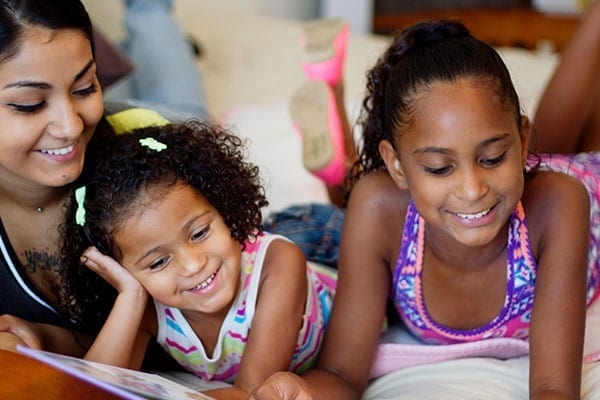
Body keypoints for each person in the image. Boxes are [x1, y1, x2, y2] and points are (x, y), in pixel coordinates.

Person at [251, 13, 600, 400]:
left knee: (568, 142)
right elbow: (341, 373)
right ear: (396, 165)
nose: (471, 189)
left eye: (493, 158)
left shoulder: (560, 204)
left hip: (586, 186)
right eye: (439, 168)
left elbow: (554, 388)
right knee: (559, 138)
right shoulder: (379, 209)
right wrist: (300, 392)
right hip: (529, 172)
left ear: (520, 139)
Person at [57, 119, 336, 399]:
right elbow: (95, 392)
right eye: (158, 263)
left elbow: (252, 393)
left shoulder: (279, 265)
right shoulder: (148, 304)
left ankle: (334, 165)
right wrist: (130, 294)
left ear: (222, 204)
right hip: (240, 250)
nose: (193, 265)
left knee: (341, 222)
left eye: (199, 233)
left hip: (318, 245)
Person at [0, 0, 205, 355]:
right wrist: (39, 336)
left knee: (192, 114)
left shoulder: (151, 160)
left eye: (85, 88)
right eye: (30, 104)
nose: (71, 126)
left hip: (162, 125)